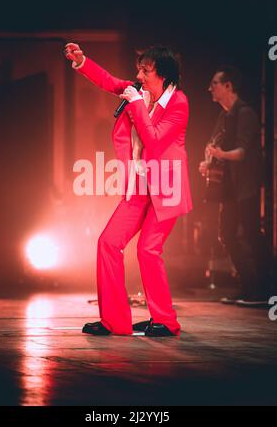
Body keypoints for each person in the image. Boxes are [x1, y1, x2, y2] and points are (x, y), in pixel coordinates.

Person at [64, 43, 192, 336]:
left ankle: (165, 321)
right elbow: (109, 82)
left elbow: (155, 139)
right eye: (139, 69)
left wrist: (135, 104)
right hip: (139, 186)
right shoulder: (139, 92)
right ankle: (114, 320)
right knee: (108, 242)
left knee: (148, 250)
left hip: (166, 188)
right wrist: (83, 61)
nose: (139, 75)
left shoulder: (178, 103)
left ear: (164, 74)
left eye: (145, 71)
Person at [199, 66, 270, 306]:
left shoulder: (246, 113)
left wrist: (220, 153)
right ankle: (248, 286)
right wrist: (208, 163)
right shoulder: (224, 116)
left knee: (251, 234)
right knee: (227, 234)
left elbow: (241, 152)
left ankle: (264, 287)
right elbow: (215, 147)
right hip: (228, 186)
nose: (211, 89)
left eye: (215, 84)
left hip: (245, 185)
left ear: (228, 86)